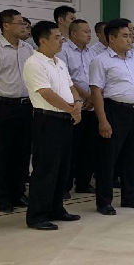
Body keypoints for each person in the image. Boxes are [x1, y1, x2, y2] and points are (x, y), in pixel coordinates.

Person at [22, 21, 82, 230]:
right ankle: (37, 215)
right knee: (46, 169)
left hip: (65, 120)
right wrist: (70, 109)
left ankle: (56, 208)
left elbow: (71, 87)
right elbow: (46, 93)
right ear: (42, 40)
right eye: (57, 37)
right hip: (47, 120)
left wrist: (77, 104)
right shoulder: (34, 63)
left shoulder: (59, 62)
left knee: (63, 167)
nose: (61, 41)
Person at [89, 19, 134, 214]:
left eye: (130, 36)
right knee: (108, 158)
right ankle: (104, 202)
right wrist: (102, 120)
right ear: (112, 38)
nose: (130, 39)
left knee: (132, 157)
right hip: (114, 111)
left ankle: (129, 197)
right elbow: (96, 91)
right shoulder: (101, 61)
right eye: (125, 36)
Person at [0, 9, 35, 213]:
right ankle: (3, 198)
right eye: (20, 23)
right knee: (3, 154)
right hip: (3, 107)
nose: (24, 27)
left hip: (25, 106)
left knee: (22, 153)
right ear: (6, 25)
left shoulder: (28, 49)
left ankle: (18, 192)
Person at [60, 19, 97, 194]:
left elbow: (97, 77)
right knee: (71, 149)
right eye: (85, 31)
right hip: (74, 107)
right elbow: (67, 78)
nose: (89, 35)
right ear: (73, 33)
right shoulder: (63, 51)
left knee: (89, 147)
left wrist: (93, 98)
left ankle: (83, 183)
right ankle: (65, 185)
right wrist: (86, 96)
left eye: (89, 31)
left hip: (92, 106)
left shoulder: (92, 52)